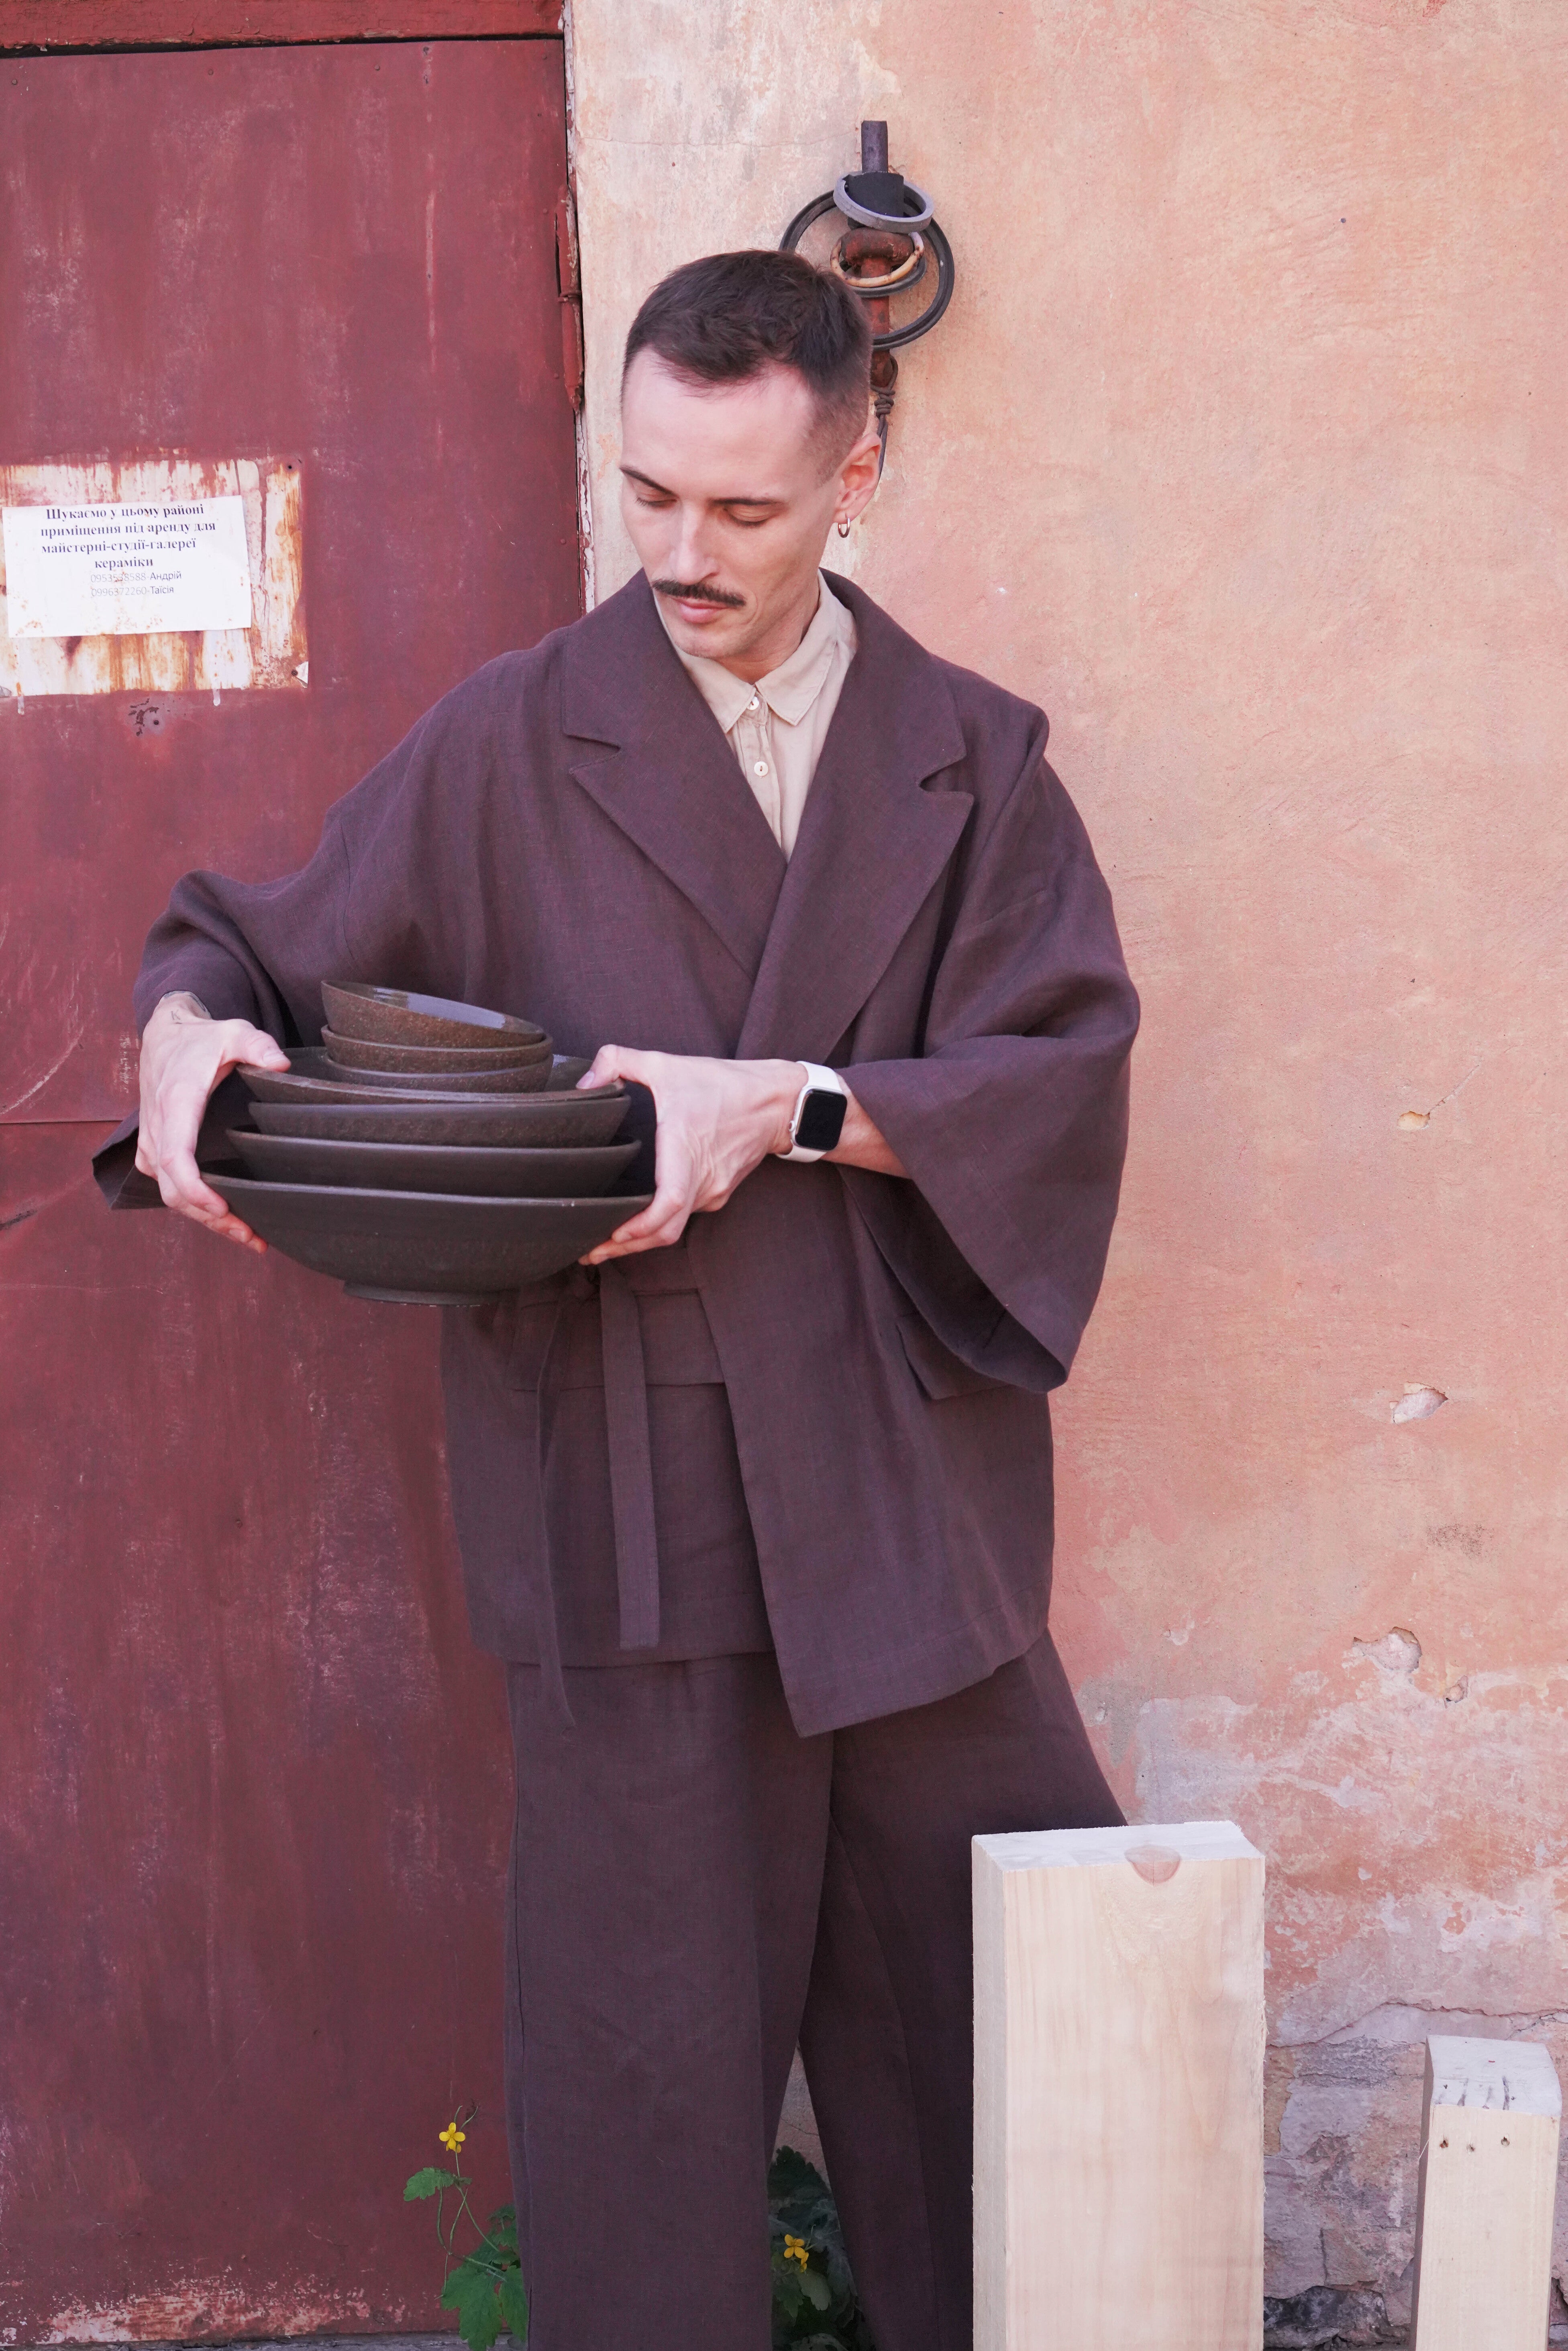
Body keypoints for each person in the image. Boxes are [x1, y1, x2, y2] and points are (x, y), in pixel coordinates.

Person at [127, 249, 1138, 2351]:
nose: (680, 554)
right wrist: (186, 1033)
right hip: (628, 1508)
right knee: (641, 2108)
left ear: (857, 473)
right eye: (645, 493)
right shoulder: (510, 737)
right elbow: (245, 944)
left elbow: (1053, 1086)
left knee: (1020, 2079)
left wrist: (778, 1105)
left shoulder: (972, 766)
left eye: (742, 510)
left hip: (906, 1520)